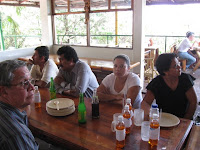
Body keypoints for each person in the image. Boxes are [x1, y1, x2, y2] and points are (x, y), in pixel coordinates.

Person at [141, 53, 197, 119]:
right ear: (165, 71)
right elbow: (145, 103)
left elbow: (193, 102)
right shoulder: (156, 83)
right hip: (164, 119)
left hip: (183, 118)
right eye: (176, 66)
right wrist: (152, 114)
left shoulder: (185, 79)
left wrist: (186, 119)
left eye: (179, 63)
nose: (180, 67)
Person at [0, 60, 38, 149]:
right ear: (3, 91)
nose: (32, 88)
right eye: (24, 83)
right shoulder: (17, 135)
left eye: (30, 80)